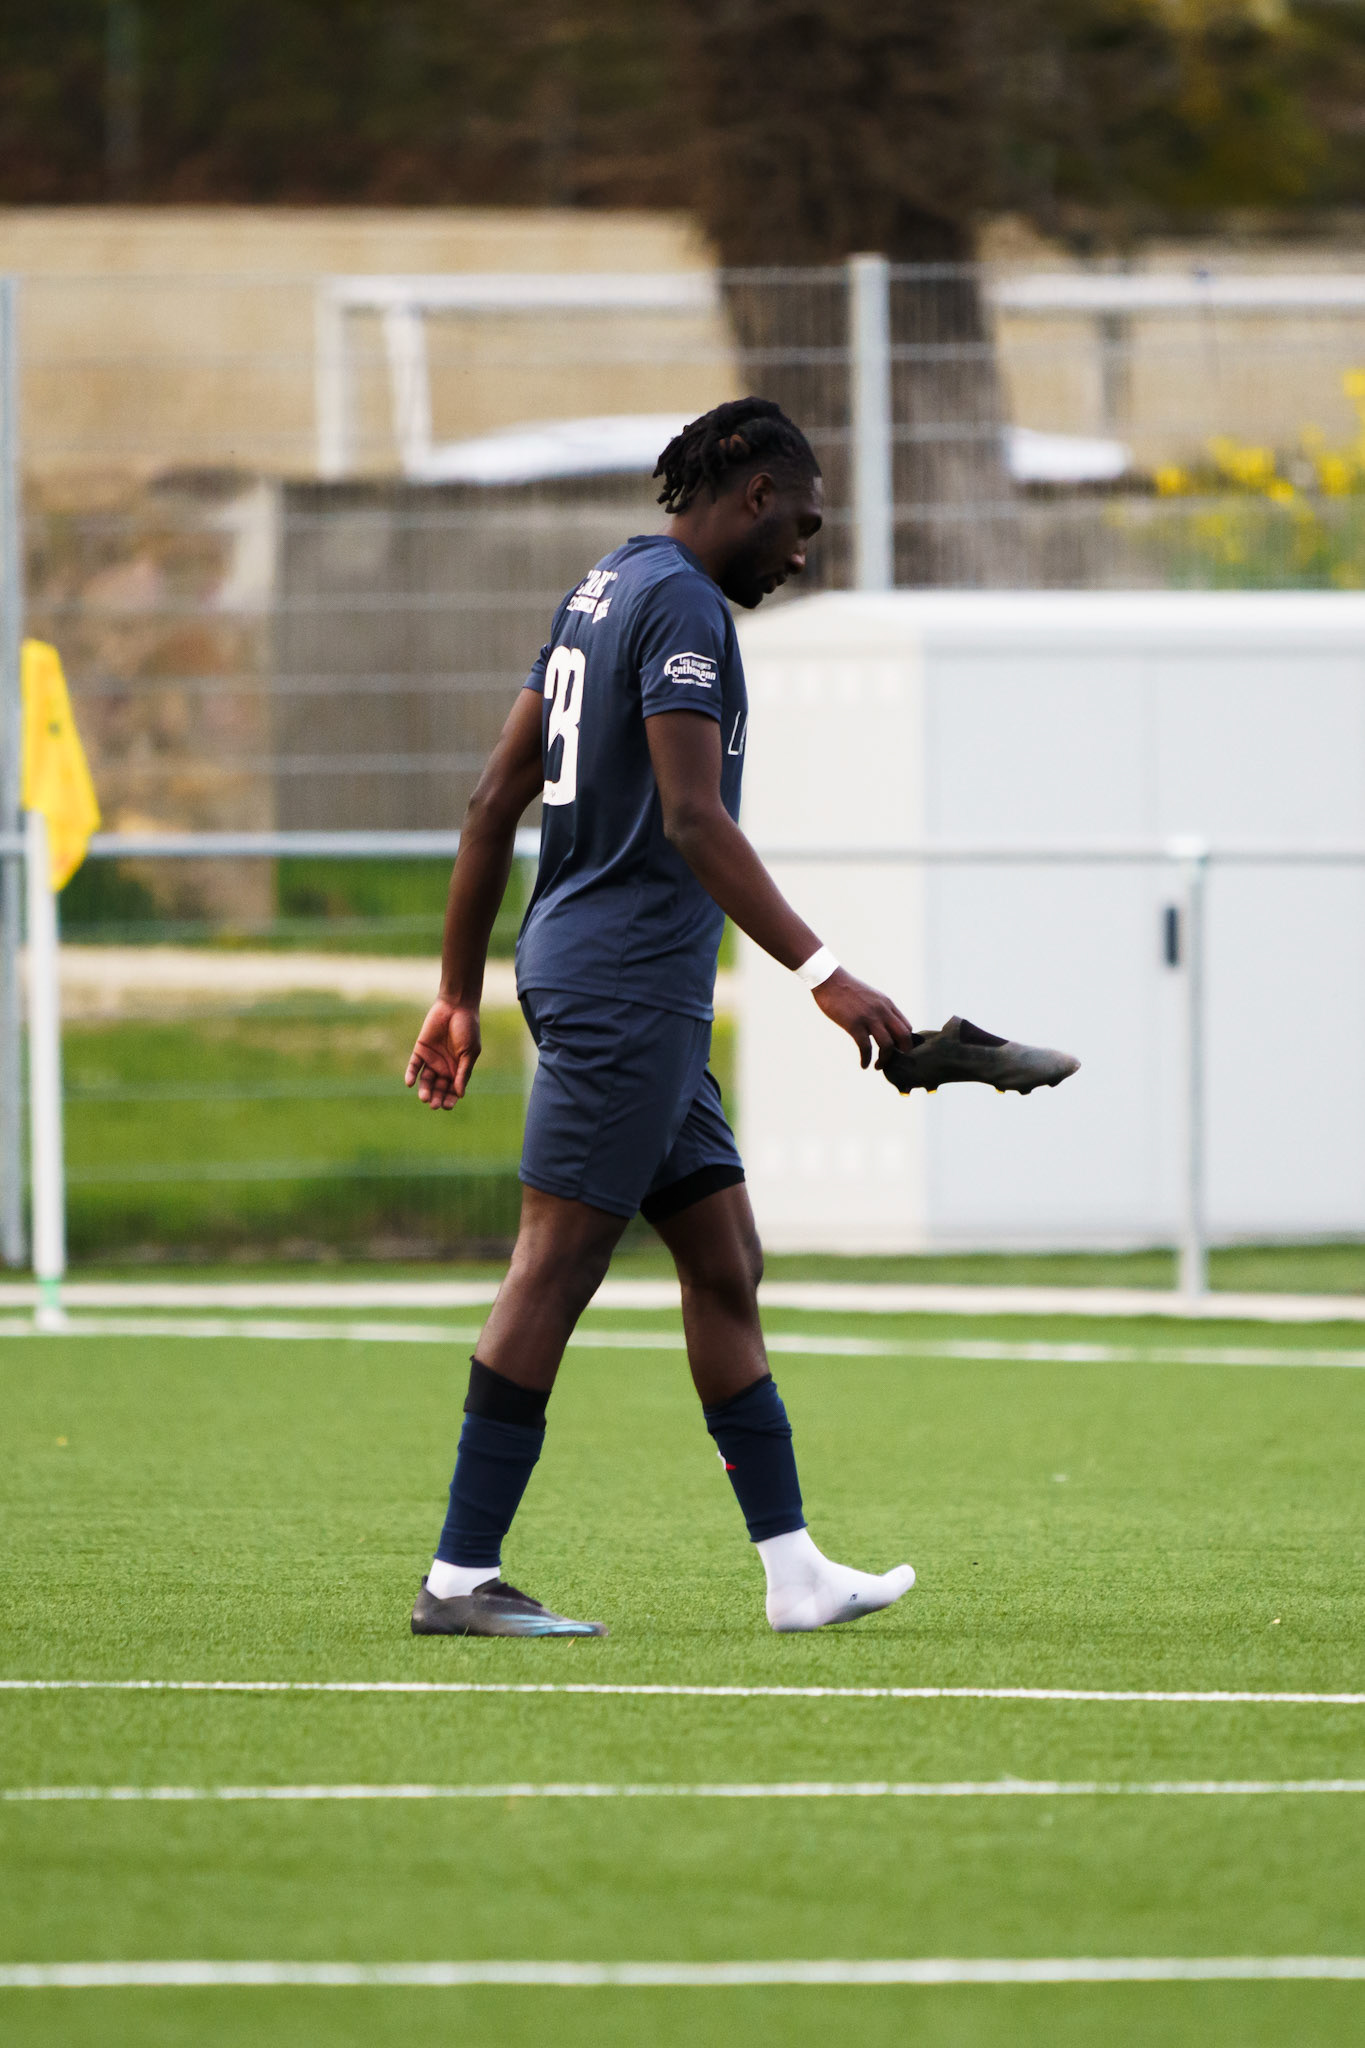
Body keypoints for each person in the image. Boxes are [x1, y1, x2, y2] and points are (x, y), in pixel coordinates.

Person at [404, 396, 917, 1639]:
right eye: (799, 525)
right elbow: (695, 819)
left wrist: (457, 990)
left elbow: (488, 801)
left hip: (623, 982)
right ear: (749, 499)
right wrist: (824, 970)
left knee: (725, 1261)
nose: (803, 551)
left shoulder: (603, 585)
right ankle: (462, 1576)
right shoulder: (681, 602)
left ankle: (794, 1570)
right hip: (626, 984)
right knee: (557, 1262)